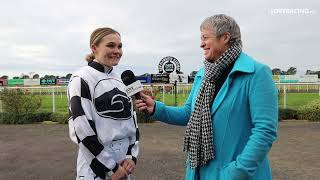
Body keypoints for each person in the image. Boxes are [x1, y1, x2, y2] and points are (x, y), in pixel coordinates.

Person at [136, 14, 278, 180]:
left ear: (225, 37)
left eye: (205, 37)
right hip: (198, 171)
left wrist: (237, 172)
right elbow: (189, 113)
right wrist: (156, 108)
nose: (201, 43)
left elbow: (265, 130)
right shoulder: (203, 74)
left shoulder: (256, 73)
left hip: (235, 175)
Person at [67, 27, 139, 180]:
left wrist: (131, 156)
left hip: (124, 163)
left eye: (120, 46)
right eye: (111, 45)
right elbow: (81, 129)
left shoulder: (120, 80)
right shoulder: (81, 78)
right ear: (94, 48)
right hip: (97, 164)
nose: (117, 51)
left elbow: (132, 122)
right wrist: (109, 167)